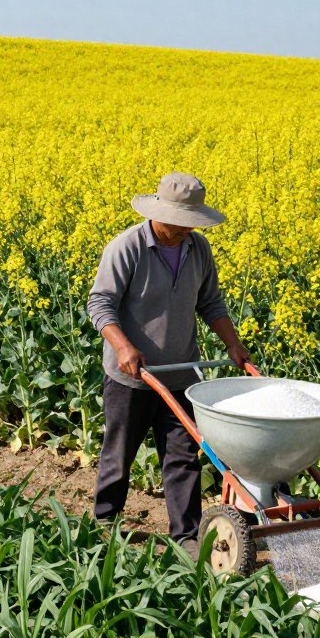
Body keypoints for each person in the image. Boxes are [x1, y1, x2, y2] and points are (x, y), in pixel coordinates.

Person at [86, 171, 250, 557]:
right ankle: (104, 524)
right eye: (179, 223)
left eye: (191, 224)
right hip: (130, 377)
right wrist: (124, 347)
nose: (184, 231)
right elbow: (100, 304)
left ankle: (187, 538)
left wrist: (234, 345)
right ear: (157, 212)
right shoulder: (126, 247)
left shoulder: (197, 249)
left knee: (182, 457)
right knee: (118, 454)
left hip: (180, 373)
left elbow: (210, 303)